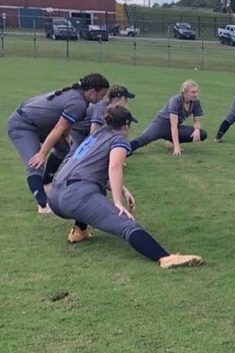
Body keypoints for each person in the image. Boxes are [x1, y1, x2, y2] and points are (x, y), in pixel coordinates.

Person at [48, 105, 204, 269]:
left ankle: (79, 231)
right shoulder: (119, 139)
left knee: (98, 189)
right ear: (126, 125)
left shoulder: (96, 135)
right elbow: (115, 166)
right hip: (75, 197)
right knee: (126, 224)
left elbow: (90, 171)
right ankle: (165, 258)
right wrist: (117, 202)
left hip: (55, 196)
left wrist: (122, 189)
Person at [7, 73, 110, 213]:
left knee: (64, 147)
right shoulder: (78, 102)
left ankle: (46, 184)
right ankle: (43, 205)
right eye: (102, 95)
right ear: (92, 92)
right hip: (23, 126)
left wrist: (66, 136)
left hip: (39, 124)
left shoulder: (79, 96)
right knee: (35, 163)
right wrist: (42, 153)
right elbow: (58, 128)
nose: (102, 98)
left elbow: (67, 121)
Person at [129, 80, 207, 155]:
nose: (196, 94)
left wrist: (197, 129)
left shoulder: (196, 102)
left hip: (172, 128)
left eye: (196, 92)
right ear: (184, 93)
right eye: (193, 92)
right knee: (144, 139)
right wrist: (177, 147)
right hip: (160, 125)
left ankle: (170, 140)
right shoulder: (175, 100)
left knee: (202, 134)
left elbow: (197, 121)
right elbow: (173, 125)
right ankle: (124, 149)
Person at [69, 85, 136, 155]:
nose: (126, 102)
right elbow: (94, 132)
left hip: (85, 134)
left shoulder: (113, 111)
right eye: (125, 99)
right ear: (116, 99)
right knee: (75, 155)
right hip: (77, 134)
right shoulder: (101, 108)